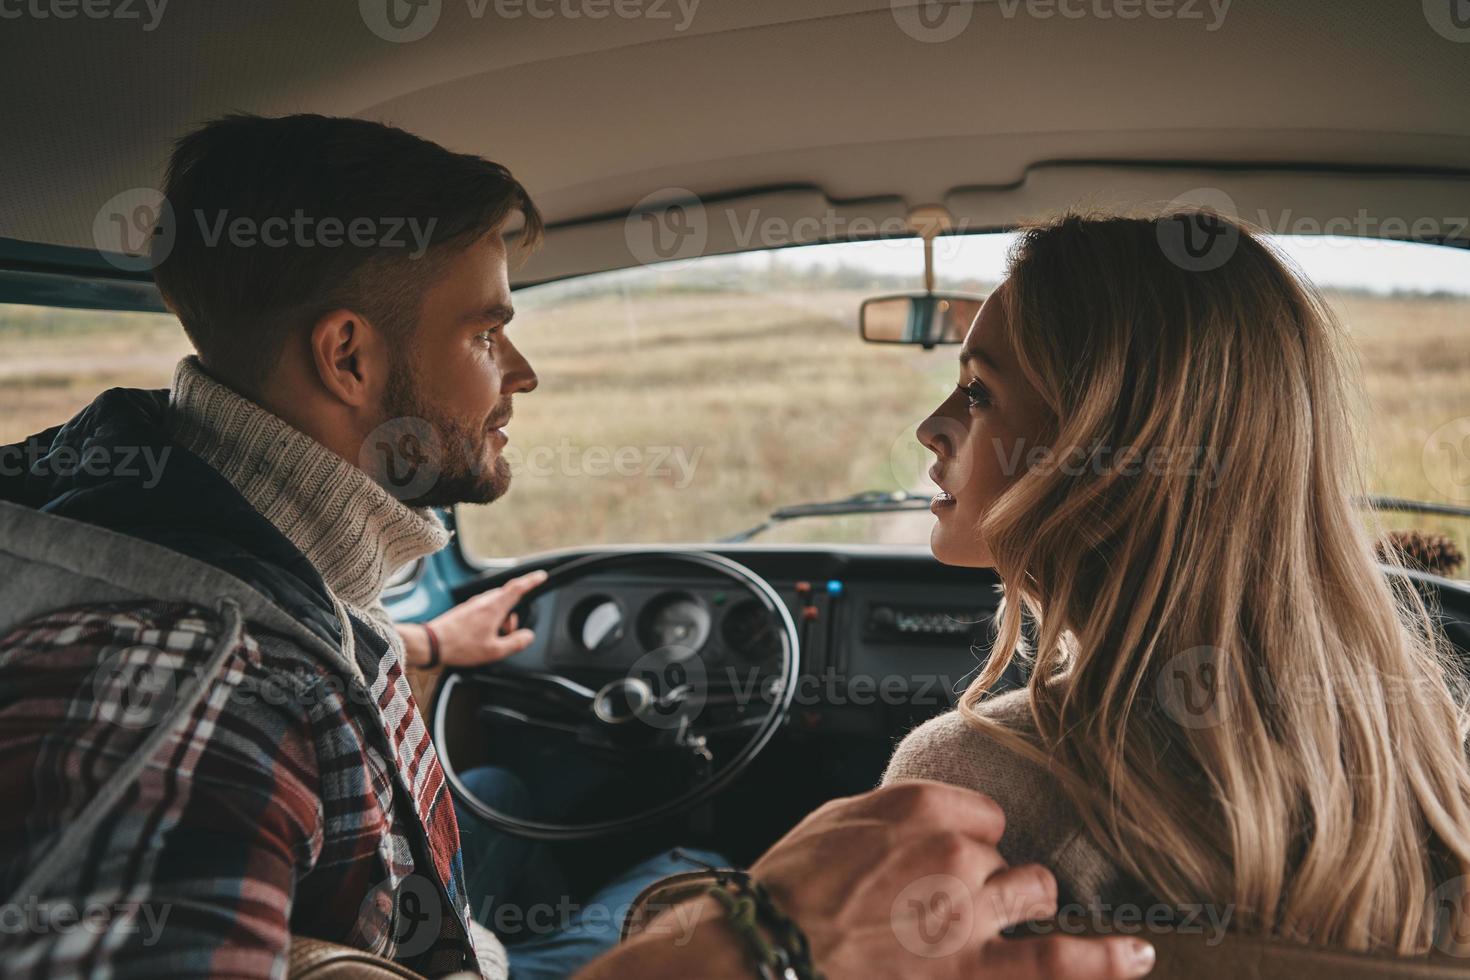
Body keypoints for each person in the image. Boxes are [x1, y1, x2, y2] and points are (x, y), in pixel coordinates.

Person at [0, 114, 1155, 979]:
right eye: (487, 328)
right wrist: (758, 945)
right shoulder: (180, 683)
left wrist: (421, 645)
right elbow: (211, 701)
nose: (523, 372)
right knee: (687, 880)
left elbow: (280, 657)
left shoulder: (189, 544)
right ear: (349, 359)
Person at [884, 211, 1470, 955]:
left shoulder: (971, 787)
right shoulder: (1428, 758)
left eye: (978, 393)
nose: (931, 428)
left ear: (1107, 454)